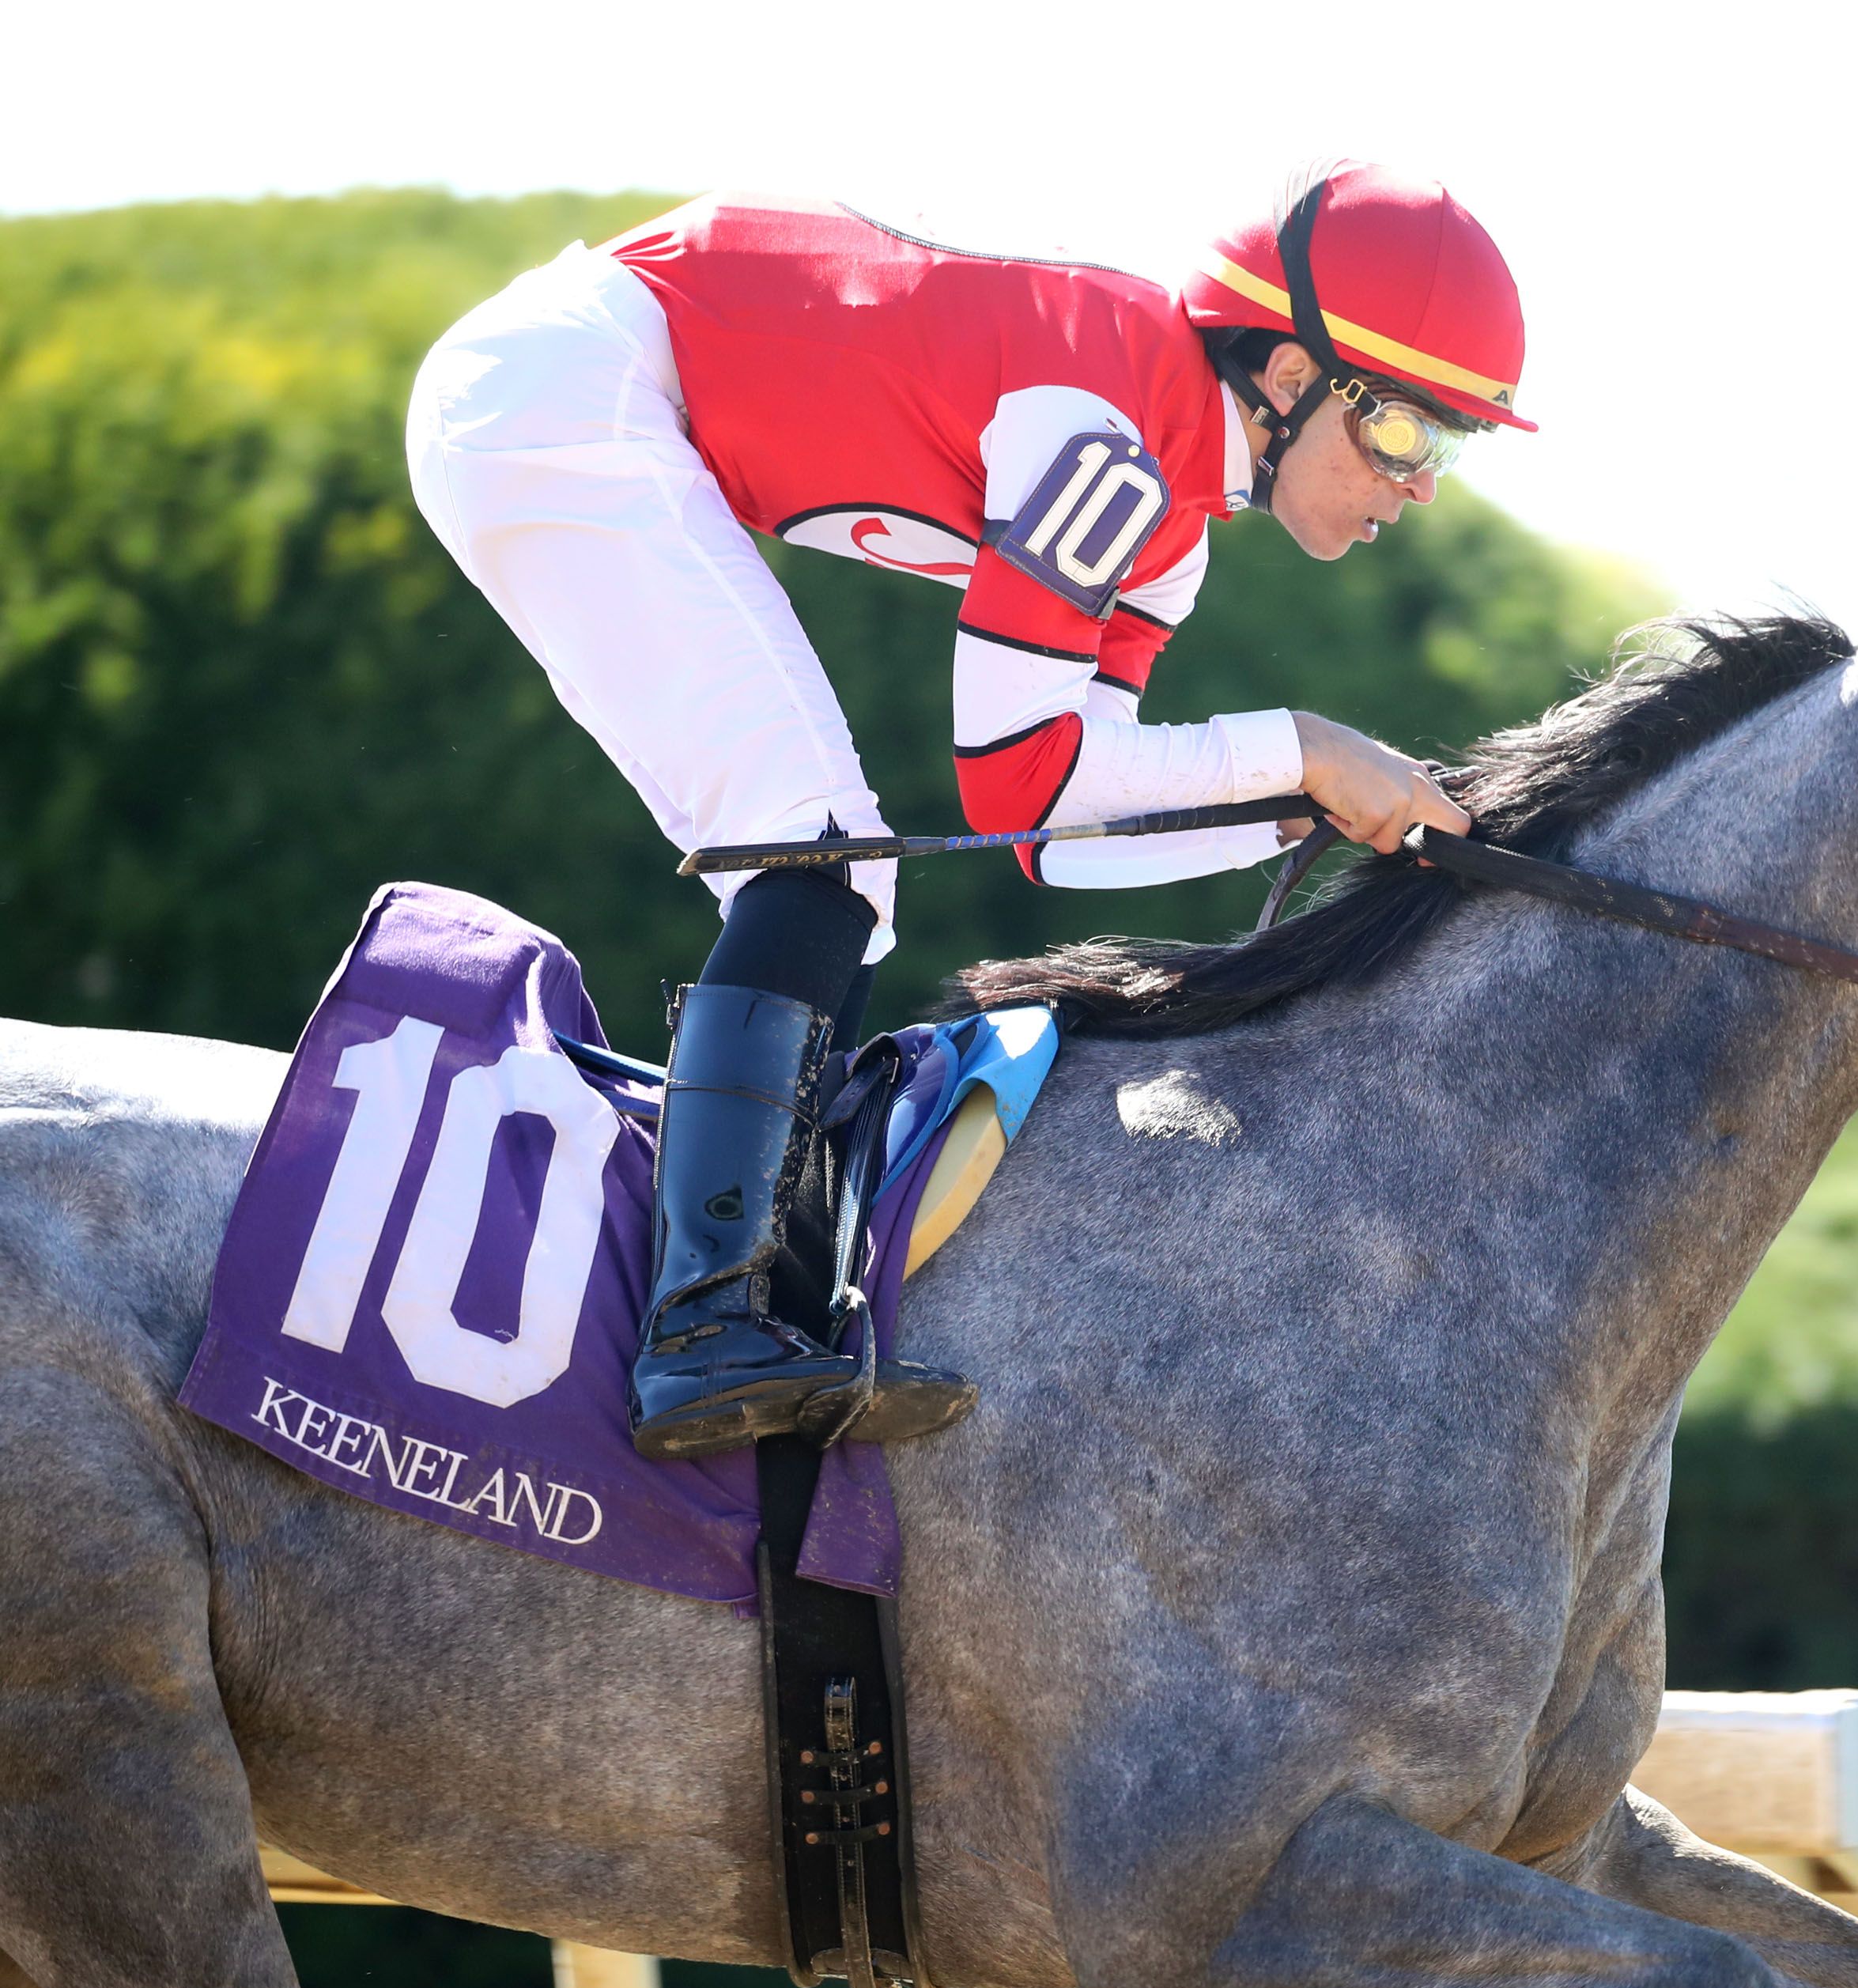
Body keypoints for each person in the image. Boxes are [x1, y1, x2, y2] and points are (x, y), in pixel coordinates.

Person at [406, 164, 1531, 1461]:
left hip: (588, 390)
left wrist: (1285, 802)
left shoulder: (1169, 534)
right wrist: (1308, 749)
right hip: (568, 391)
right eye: (1404, 431)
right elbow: (1017, 780)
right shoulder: (1112, 434)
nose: (1423, 482)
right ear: (1286, 379)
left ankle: (735, 1305)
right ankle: (705, 1323)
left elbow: (1053, 835)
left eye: (1452, 446)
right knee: (821, 855)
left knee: (834, 867)